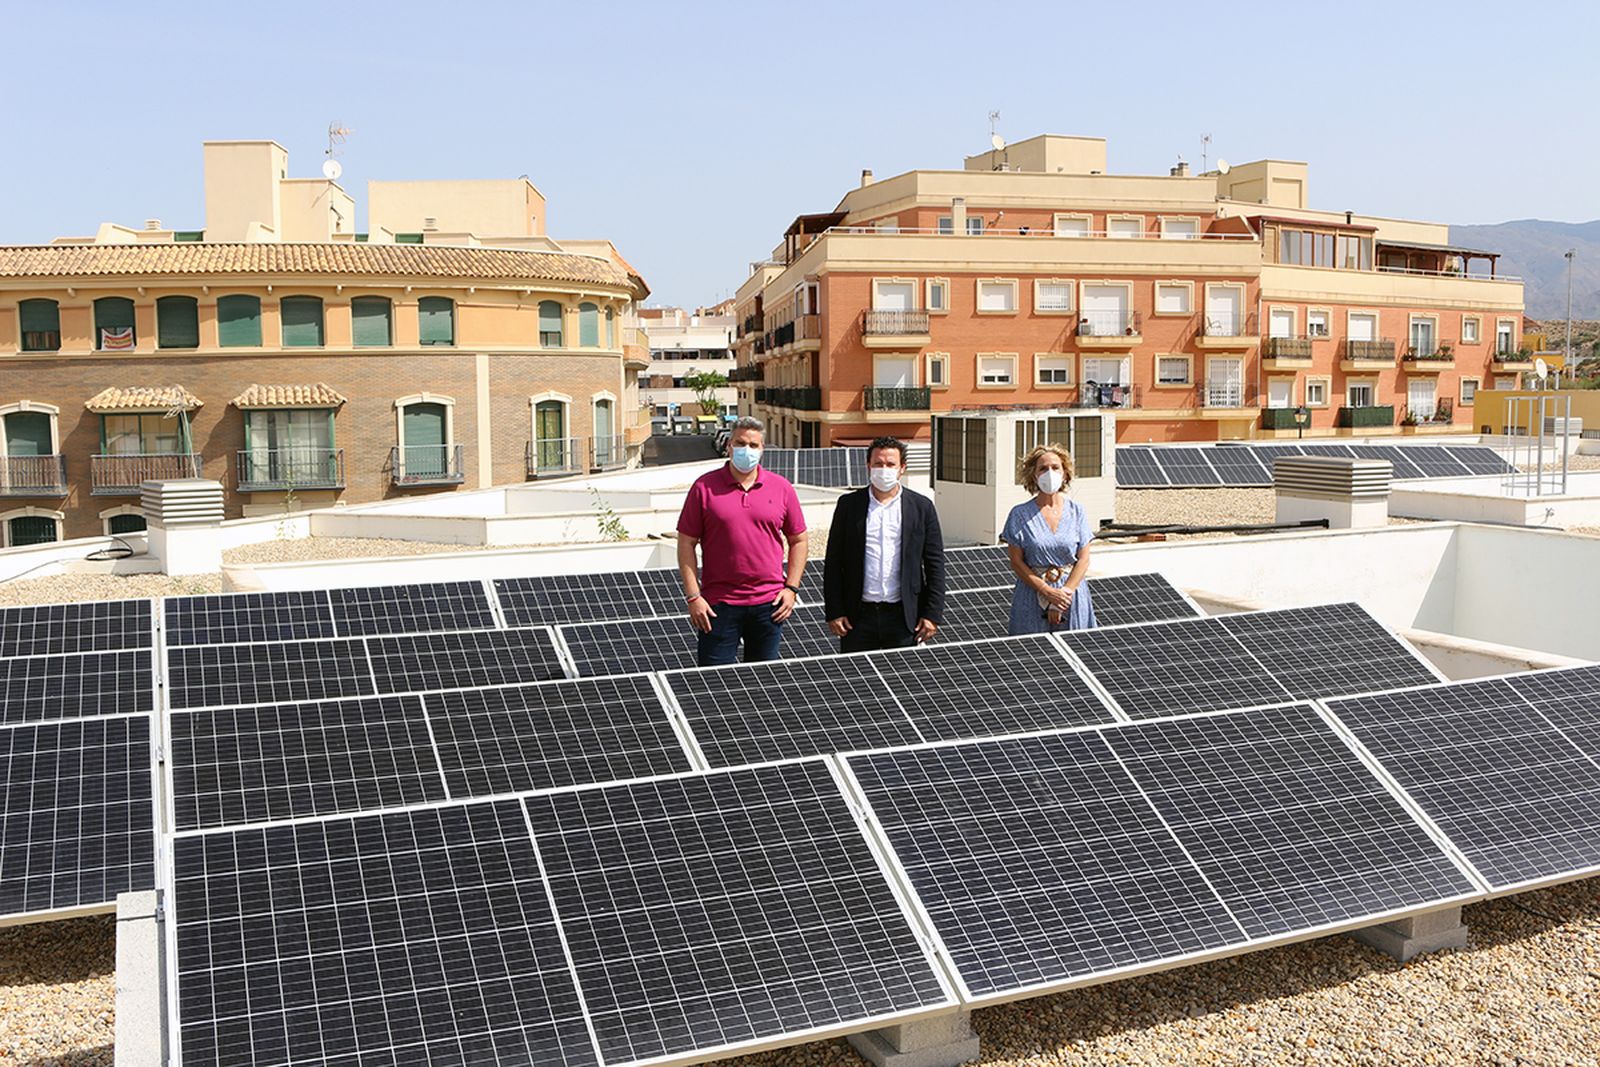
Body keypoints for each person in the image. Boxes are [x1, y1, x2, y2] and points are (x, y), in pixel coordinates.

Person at [676, 415, 808, 666]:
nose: (746, 450)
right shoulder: (704, 487)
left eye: (753, 445)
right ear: (729, 446)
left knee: (762, 688)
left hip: (769, 605)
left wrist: (791, 589)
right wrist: (694, 596)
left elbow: (799, 539)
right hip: (718, 606)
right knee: (714, 684)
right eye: (740, 443)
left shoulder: (781, 488)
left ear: (762, 450)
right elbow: (686, 543)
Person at [823, 437, 946, 652]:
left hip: (904, 617)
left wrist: (932, 614)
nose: (884, 470)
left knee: (901, 682)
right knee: (857, 682)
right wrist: (834, 611)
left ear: (902, 469)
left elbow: (935, 564)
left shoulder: (921, 507)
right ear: (868, 466)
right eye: (878, 464)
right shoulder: (849, 505)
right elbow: (834, 561)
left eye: (890, 464)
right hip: (857, 618)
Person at [1002, 444, 1096, 634]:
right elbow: (1016, 562)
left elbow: (1083, 559)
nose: (1049, 473)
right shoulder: (1019, 514)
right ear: (1034, 475)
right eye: (1043, 468)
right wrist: (1047, 592)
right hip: (1033, 594)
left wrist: (1063, 596)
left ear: (1064, 473)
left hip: (1072, 595)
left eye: (1055, 467)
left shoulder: (1077, 511)